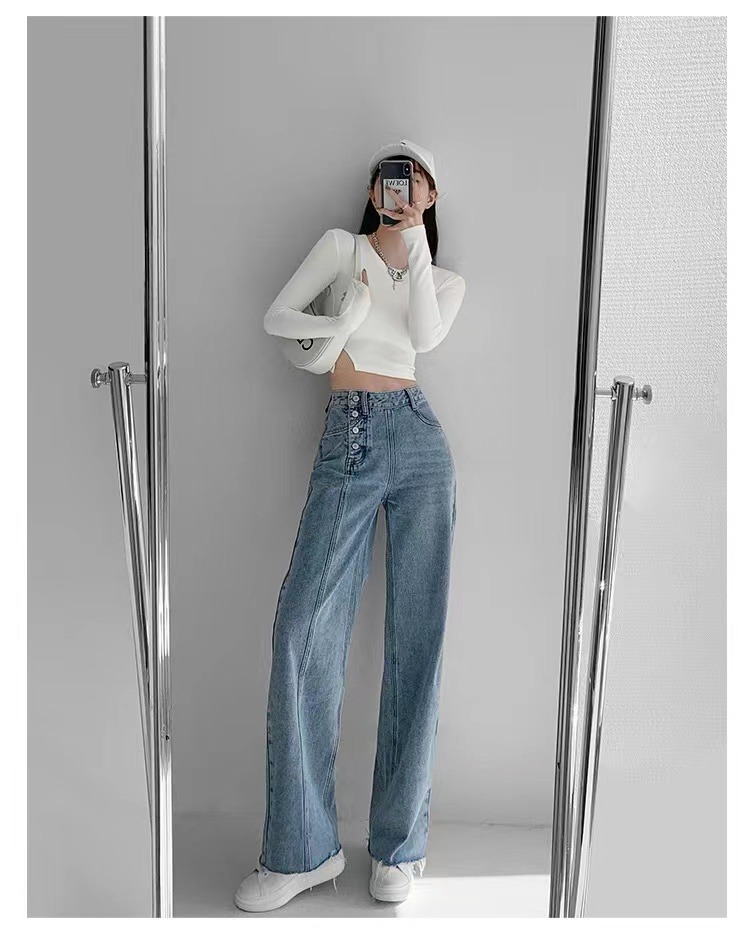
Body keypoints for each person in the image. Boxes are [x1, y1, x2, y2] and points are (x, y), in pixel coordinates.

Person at [235, 139, 466, 913]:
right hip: (351, 435)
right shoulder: (342, 249)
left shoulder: (445, 279)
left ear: (429, 196)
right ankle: (302, 850)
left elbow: (423, 338)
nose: (399, 188)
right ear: (372, 191)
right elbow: (276, 317)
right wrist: (352, 310)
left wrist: (416, 241)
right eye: (389, 178)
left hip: (421, 442)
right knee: (301, 632)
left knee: (418, 645)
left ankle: (400, 847)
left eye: (414, 181)